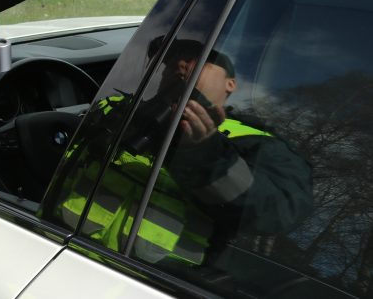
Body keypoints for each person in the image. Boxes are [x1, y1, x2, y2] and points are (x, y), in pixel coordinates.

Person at [57, 41, 312, 267]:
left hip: (157, 282)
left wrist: (205, 154)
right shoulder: (116, 109)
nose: (180, 64)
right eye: (171, 62)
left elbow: (277, 214)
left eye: (199, 61)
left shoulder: (255, 142)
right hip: (62, 252)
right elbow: (58, 171)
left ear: (230, 84)